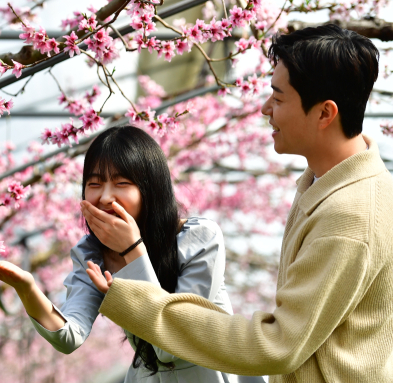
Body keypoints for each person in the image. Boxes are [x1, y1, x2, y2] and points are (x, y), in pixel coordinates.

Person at [83, 24, 393, 383]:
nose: (265, 109)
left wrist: (141, 303)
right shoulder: (328, 186)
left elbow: (277, 345)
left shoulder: (350, 215)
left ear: (325, 113)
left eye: (278, 98)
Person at [0, 126, 261, 382]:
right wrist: (27, 288)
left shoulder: (199, 239)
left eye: (121, 183)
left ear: (150, 189)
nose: (105, 197)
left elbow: (173, 342)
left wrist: (131, 250)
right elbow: (69, 336)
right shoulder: (91, 254)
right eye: (94, 183)